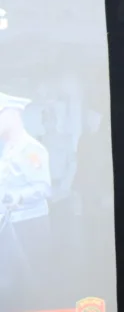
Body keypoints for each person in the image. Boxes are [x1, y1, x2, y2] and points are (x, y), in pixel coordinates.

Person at [0, 91, 51, 311]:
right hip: (10, 224)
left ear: (13, 115)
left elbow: (44, 188)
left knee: (33, 281)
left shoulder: (30, 149)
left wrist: (17, 197)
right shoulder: (7, 149)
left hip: (30, 224)